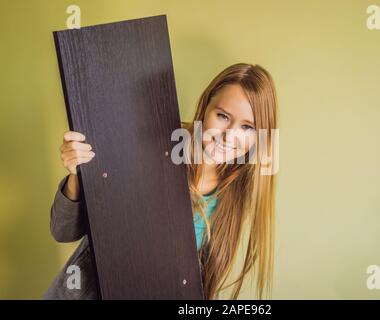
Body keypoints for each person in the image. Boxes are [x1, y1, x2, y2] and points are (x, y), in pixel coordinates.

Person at [44, 63, 278, 300]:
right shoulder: (154, 146)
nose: (230, 136)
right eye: (223, 116)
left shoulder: (237, 192)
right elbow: (62, 232)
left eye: (247, 127)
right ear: (205, 106)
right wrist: (77, 174)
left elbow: (201, 281)